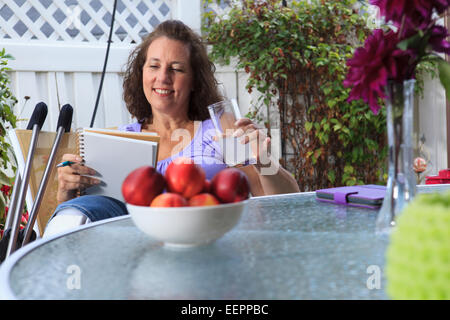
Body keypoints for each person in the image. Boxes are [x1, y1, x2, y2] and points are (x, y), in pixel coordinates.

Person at [44, 20, 299, 236]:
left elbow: (285, 205)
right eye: (154, 66)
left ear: (195, 81)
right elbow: (82, 224)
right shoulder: (117, 139)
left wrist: (264, 160)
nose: (162, 77)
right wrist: (67, 192)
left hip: (209, 244)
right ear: (141, 74)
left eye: (176, 69)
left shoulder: (221, 128)